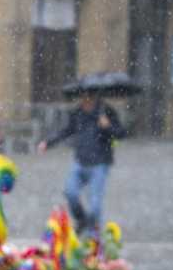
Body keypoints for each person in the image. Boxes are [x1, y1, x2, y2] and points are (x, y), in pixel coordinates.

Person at [38, 92, 127, 236]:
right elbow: (66, 131)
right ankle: (82, 220)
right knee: (70, 193)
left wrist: (107, 126)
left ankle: (93, 236)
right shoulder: (78, 113)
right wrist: (48, 143)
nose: (85, 100)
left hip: (100, 163)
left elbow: (121, 133)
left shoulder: (106, 111)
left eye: (88, 97)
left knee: (95, 205)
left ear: (94, 97)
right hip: (80, 162)